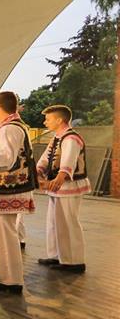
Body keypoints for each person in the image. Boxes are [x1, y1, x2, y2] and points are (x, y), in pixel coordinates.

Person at [0, 91, 36, 294]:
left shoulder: (8, 129)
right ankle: (0, 273)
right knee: (2, 233)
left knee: (5, 235)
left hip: (7, 188)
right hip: (10, 188)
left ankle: (10, 280)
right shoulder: (16, 126)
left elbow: (5, 160)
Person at [35, 105, 89, 273]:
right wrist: (38, 172)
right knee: (54, 222)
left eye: (48, 119)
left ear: (59, 120)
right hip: (57, 187)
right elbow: (46, 158)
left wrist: (59, 178)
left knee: (67, 222)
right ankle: (57, 255)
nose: (45, 122)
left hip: (68, 186)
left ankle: (74, 261)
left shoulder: (71, 138)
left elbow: (68, 161)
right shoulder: (58, 137)